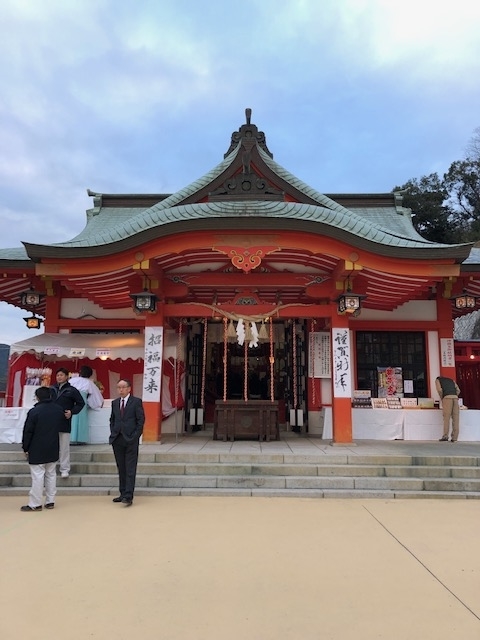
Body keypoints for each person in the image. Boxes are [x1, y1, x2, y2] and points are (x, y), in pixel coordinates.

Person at [21, 386, 67, 511]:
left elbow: (28, 431)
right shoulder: (58, 410)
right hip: (53, 445)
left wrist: (25, 447)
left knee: (37, 475)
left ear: (37, 397)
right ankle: (50, 500)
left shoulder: (34, 412)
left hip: (37, 447)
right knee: (51, 474)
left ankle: (35, 503)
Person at [109, 378, 145, 506]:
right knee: (121, 467)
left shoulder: (136, 402)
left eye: (123, 387)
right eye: (119, 387)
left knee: (130, 467)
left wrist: (135, 436)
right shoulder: (115, 403)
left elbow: (140, 421)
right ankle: (122, 492)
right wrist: (113, 432)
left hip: (130, 439)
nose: (121, 390)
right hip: (117, 438)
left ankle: (129, 495)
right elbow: (112, 420)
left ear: (129, 388)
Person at [50, 367, 85, 478]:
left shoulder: (72, 390)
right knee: (51, 446)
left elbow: (81, 403)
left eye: (61, 375)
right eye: (57, 375)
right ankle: (51, 468)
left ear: (66, 377)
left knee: (64, 447)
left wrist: (72, 412)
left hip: (64, 421)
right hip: (51, 422)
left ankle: (64, 469)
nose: (59, 377)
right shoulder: (51, 389)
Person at [69, 365, 104, 444]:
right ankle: (80, 439)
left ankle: (71, 439)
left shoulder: (72, 380)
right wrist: (97, 404)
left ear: (80, 372)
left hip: (71, 402)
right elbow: (96, 396)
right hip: (82, 402)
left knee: (71, 419)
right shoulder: (89, 383)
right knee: (81, 420)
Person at [435, 375, 461, 442]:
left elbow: (440, 390)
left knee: (446, 418)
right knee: (456, 418)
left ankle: (445, 436)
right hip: (455, 398)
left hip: (447, 398)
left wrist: (443, 398)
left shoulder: (438, 380)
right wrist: (454, 395)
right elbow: (458, 390)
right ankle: (455, 437)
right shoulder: (451, 380)